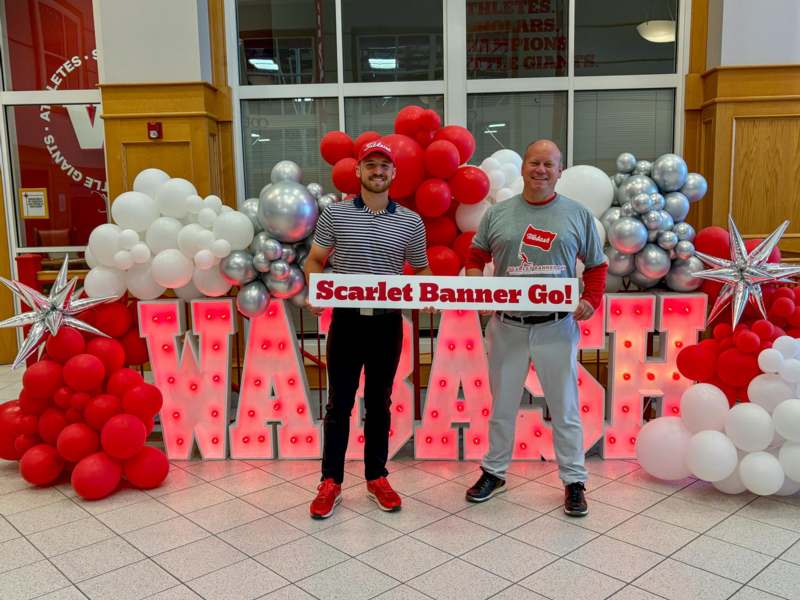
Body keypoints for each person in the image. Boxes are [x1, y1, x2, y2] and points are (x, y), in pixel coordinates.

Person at [463, 139, 607, 517]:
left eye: (548, 164)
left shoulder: (577, 215)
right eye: (534, 163)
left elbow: (596, 265)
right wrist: (478, 290)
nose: (540, 170)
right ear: (524, 166)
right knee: (503, 406)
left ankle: (574, 481)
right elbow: (476, 255)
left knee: (564, 407)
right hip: (507, 326)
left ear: (560, 171)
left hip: (556, 328)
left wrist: (591, 300)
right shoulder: (498, 214)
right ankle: (494, 472)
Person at [304, 139, 431, 519]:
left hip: (387, 323)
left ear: (394, 174)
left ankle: (376, 476)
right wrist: (316, 290)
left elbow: (422, 270)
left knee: (379, 403)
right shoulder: (335, 214)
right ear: (358, 171)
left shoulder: (411, 221)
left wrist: (425, 291)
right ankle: (331, 481)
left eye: (384, 166)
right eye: (370, 165)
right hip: (346, 322)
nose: (378, 171)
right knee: (338, 405)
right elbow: (314, 260)